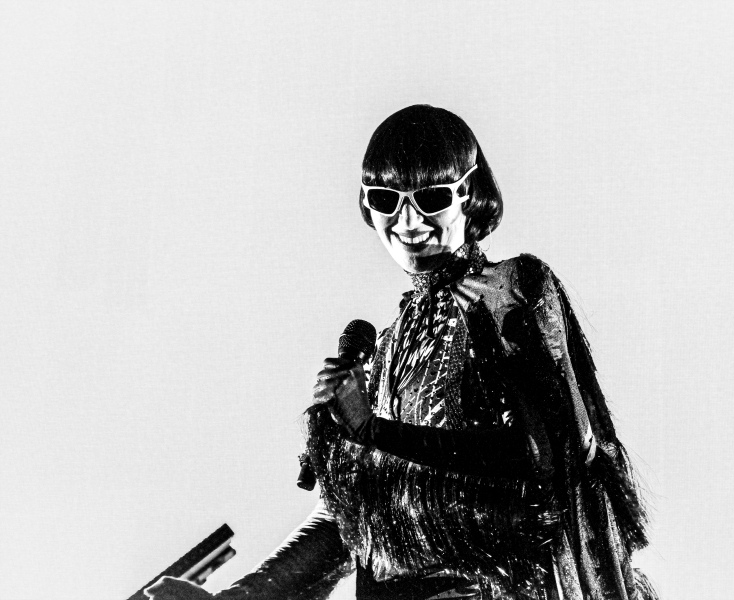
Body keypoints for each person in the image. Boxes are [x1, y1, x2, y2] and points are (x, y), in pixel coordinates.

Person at [146, 104, 656, 600]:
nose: (408, 220)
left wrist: (373, 431)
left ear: (468, 194)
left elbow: (546, 454)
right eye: (386, 200)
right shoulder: (386, 350)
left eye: (431, 197)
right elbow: (352, 517)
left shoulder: (508, 288)